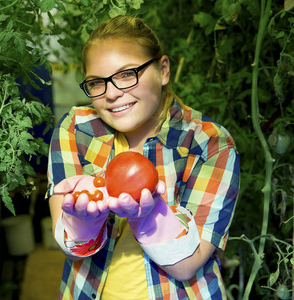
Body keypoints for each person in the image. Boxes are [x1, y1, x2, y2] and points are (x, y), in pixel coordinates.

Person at [46, 15, 240, 299]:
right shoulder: (75, 129)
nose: (112, 94)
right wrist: (82, 222)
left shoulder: (209, 144)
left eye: (127, 74)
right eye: (97, 82)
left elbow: (188, 265)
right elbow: (71, 246)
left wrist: (151, 218)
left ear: (163, 70)